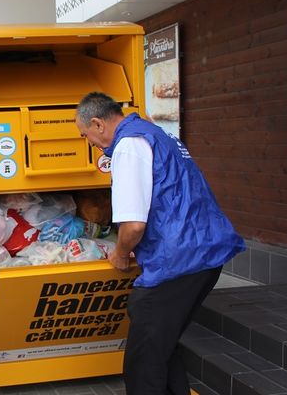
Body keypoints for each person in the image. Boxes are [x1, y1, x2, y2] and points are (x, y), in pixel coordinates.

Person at [74, 92, 245, 395]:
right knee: (161, 348)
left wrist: (120, 254)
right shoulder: (154, 134)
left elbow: (134, 225)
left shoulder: (127, 147)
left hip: (177, 261)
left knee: (142, 363)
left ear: (98, 124)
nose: (89, 143)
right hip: (203, 253)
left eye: (85, 135)